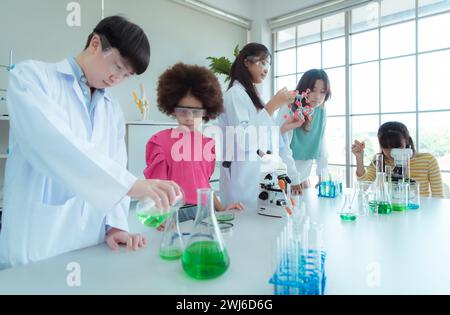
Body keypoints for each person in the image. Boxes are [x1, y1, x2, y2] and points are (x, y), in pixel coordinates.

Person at [0, 16, 180, 268]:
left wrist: (114, 226)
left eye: (126, 75)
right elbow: (52, 142)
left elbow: (115, 163)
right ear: (96, 44)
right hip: (38, 244)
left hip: (89, 245)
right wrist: (132, 185)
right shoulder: (32, 78)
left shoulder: (112, 109)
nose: (118, 78)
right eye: (118, 66)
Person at [144, 63, 244, 222]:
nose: (190, 117)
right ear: (172, 108)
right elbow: (156, 190)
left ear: (206, 112)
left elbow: (204, 186)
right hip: (174, 214)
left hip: (205, 213)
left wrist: (222, 209)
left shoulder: (207, 144)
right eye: (183, 111)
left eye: (196, 112)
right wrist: (159, 219)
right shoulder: (160, 142)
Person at [218, 43, 297, 208]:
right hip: (241, 184)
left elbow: (264, 138)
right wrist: (272, 106)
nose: (266, 69)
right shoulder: (235, 94)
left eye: (268, 64)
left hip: (259, 180)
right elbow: (245, 140)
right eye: (261, 62)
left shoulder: (252, 96)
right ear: (246, 62)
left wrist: (283, 128)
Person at [353, 121, 444, 198]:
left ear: (406, 142)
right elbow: (363, 186)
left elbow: (438, 197)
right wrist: (359, 158)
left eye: (396, 146)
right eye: (386, 147)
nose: (391, 152)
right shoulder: (380, 160)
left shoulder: (428, 160)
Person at [277, 69, 332, 195]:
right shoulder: (289, 107)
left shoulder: (321, 112)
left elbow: (321, 145)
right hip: (282, 178)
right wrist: (294, 179)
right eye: (313, 90)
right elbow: (282, 147)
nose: (317, 96)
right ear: (304, 89)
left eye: (322, 92)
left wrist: (322, 175)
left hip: (302, 178)